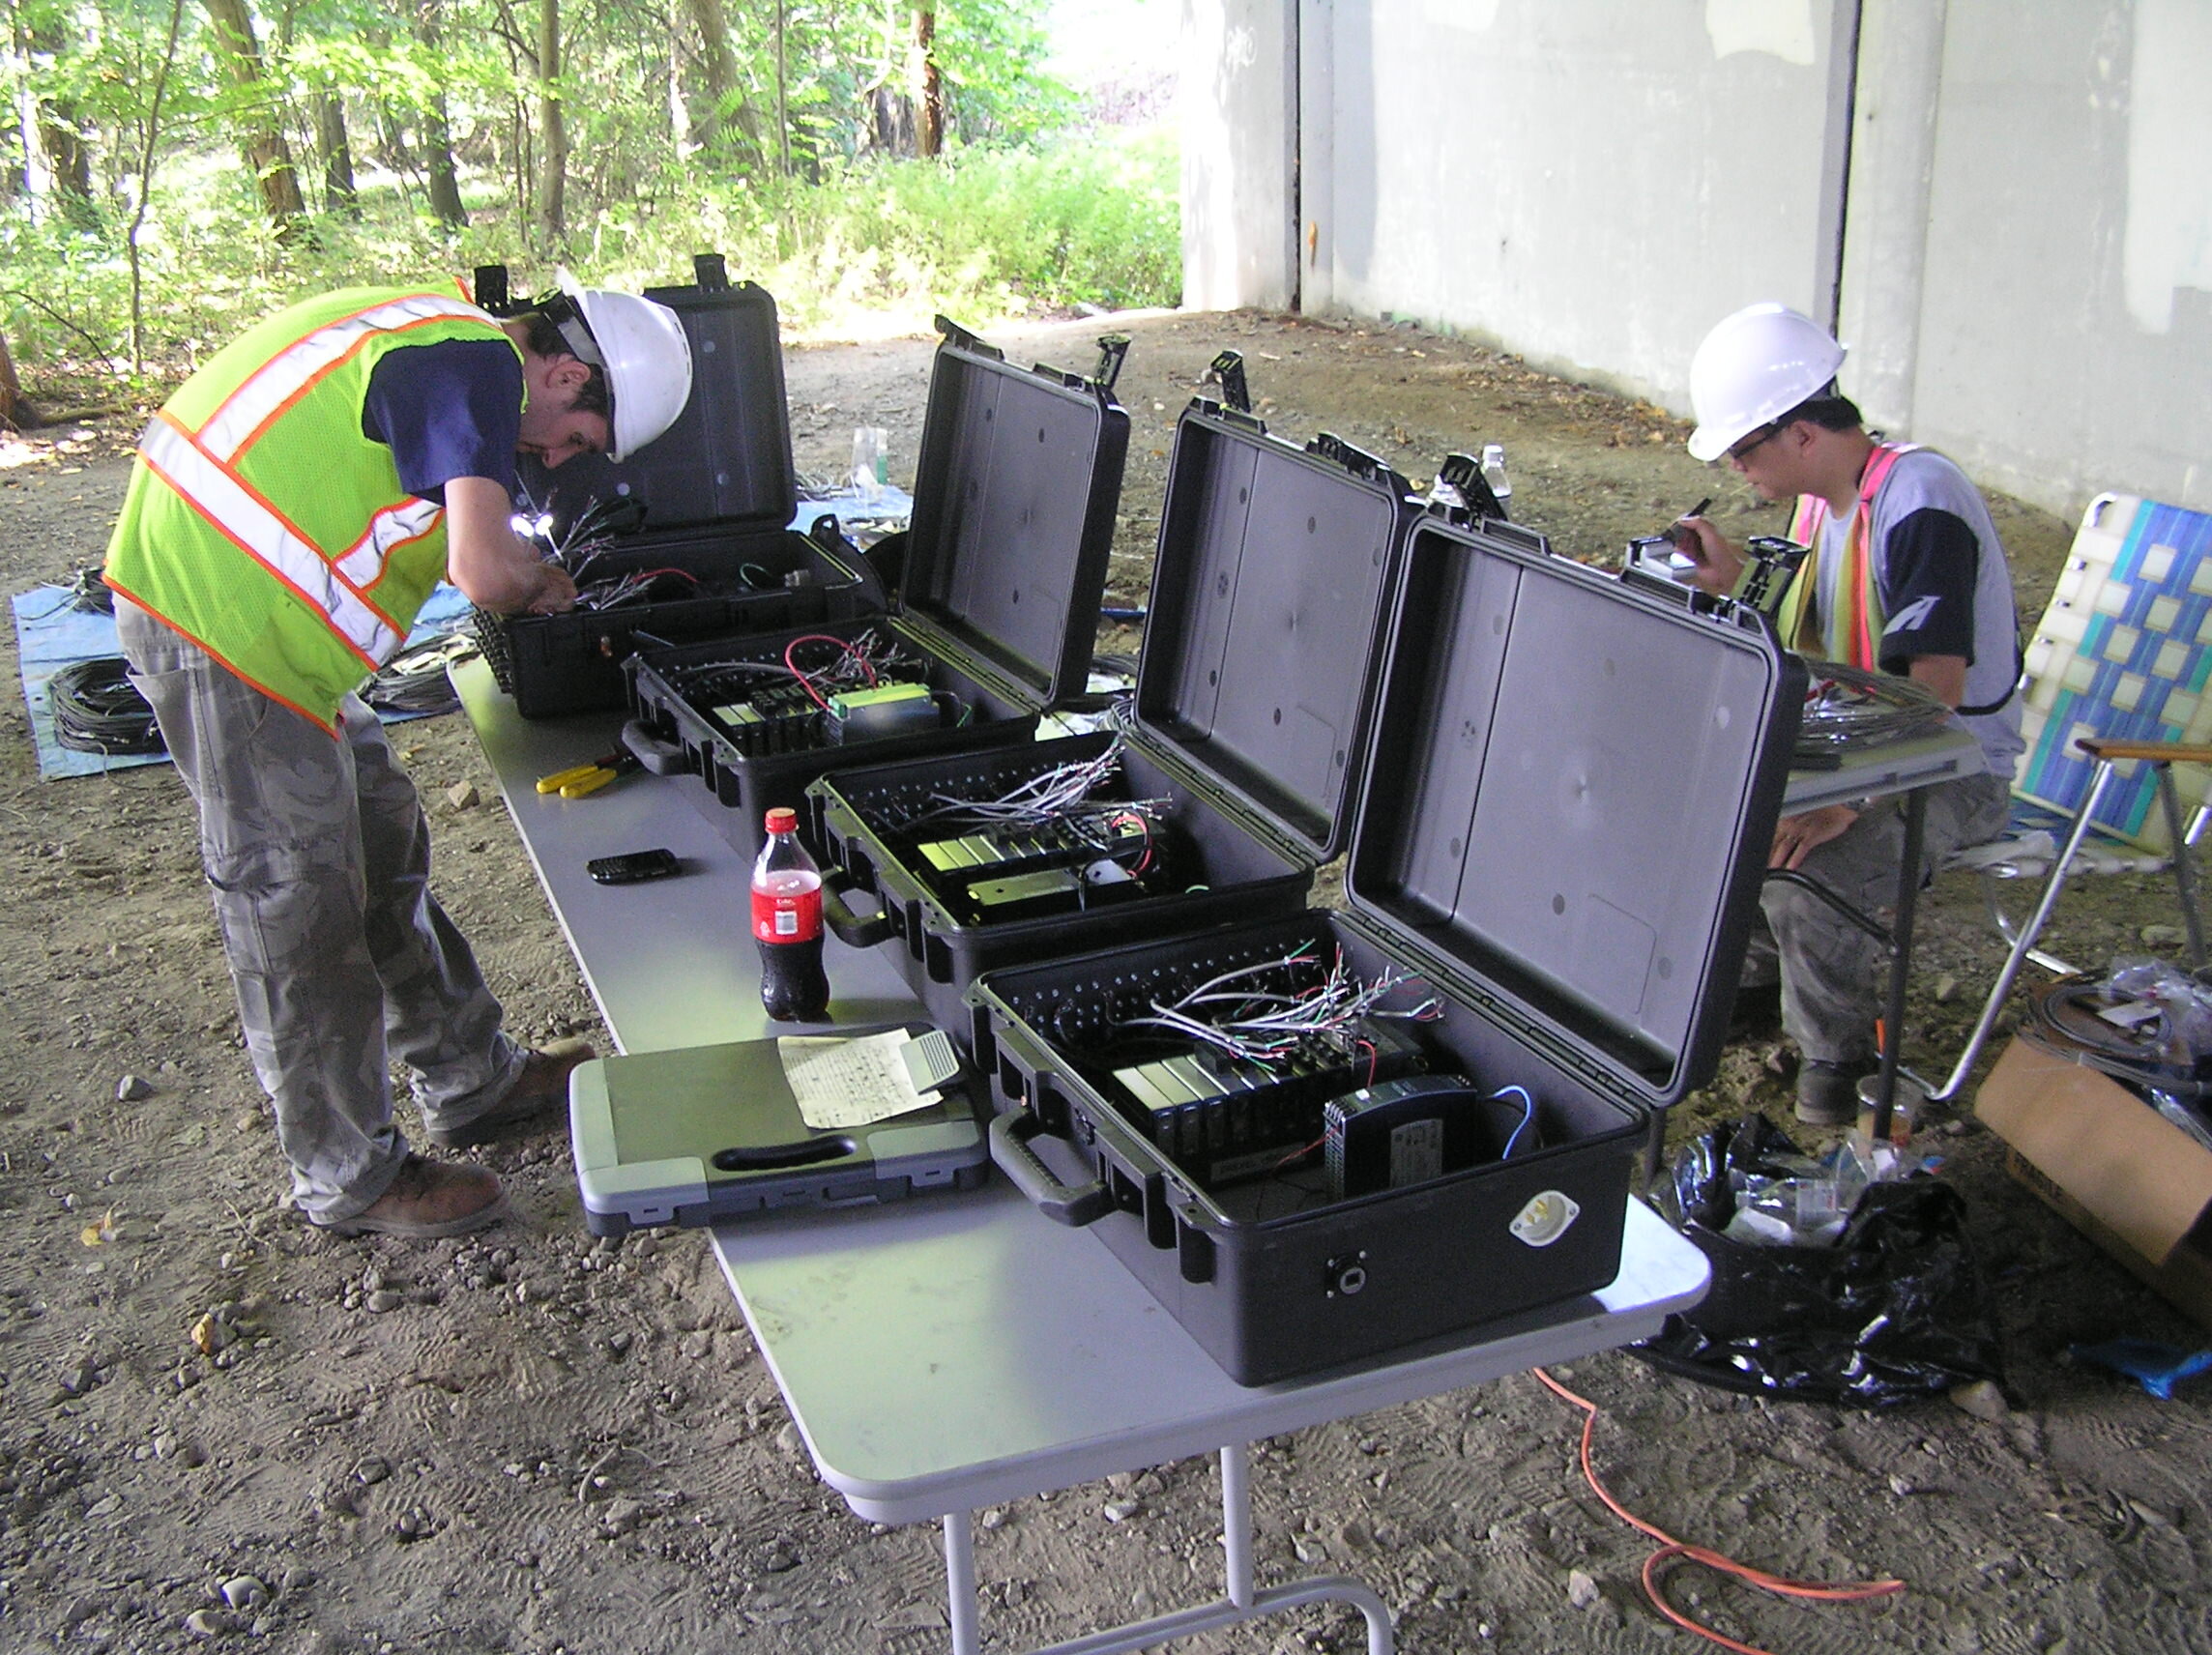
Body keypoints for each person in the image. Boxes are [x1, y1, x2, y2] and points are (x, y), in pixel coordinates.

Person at [102, 275, 693, 1234]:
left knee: (380, 839)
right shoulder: (473, 362)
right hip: (218, 615)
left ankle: (471, 1076)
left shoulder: (448, 349)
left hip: (270, 624)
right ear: (565, 371)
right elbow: (483, 569)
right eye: (575, 437)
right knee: (296, 898)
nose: (555, 459)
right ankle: (349, 1175)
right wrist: (541, 586)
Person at [1673, 302, 2022, 1126]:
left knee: (1809, 876)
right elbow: (1807, 634)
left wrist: (1847, 802)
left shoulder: (1920, 503)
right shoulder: (1822, 508)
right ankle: (1756, 993)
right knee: (1716, 816)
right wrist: (1729, 588)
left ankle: (1838, 1064)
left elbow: (1933, 688)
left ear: (1801, 434)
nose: (1736, 466)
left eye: (1744, 446)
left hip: (1952, 768)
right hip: (1864, 749)